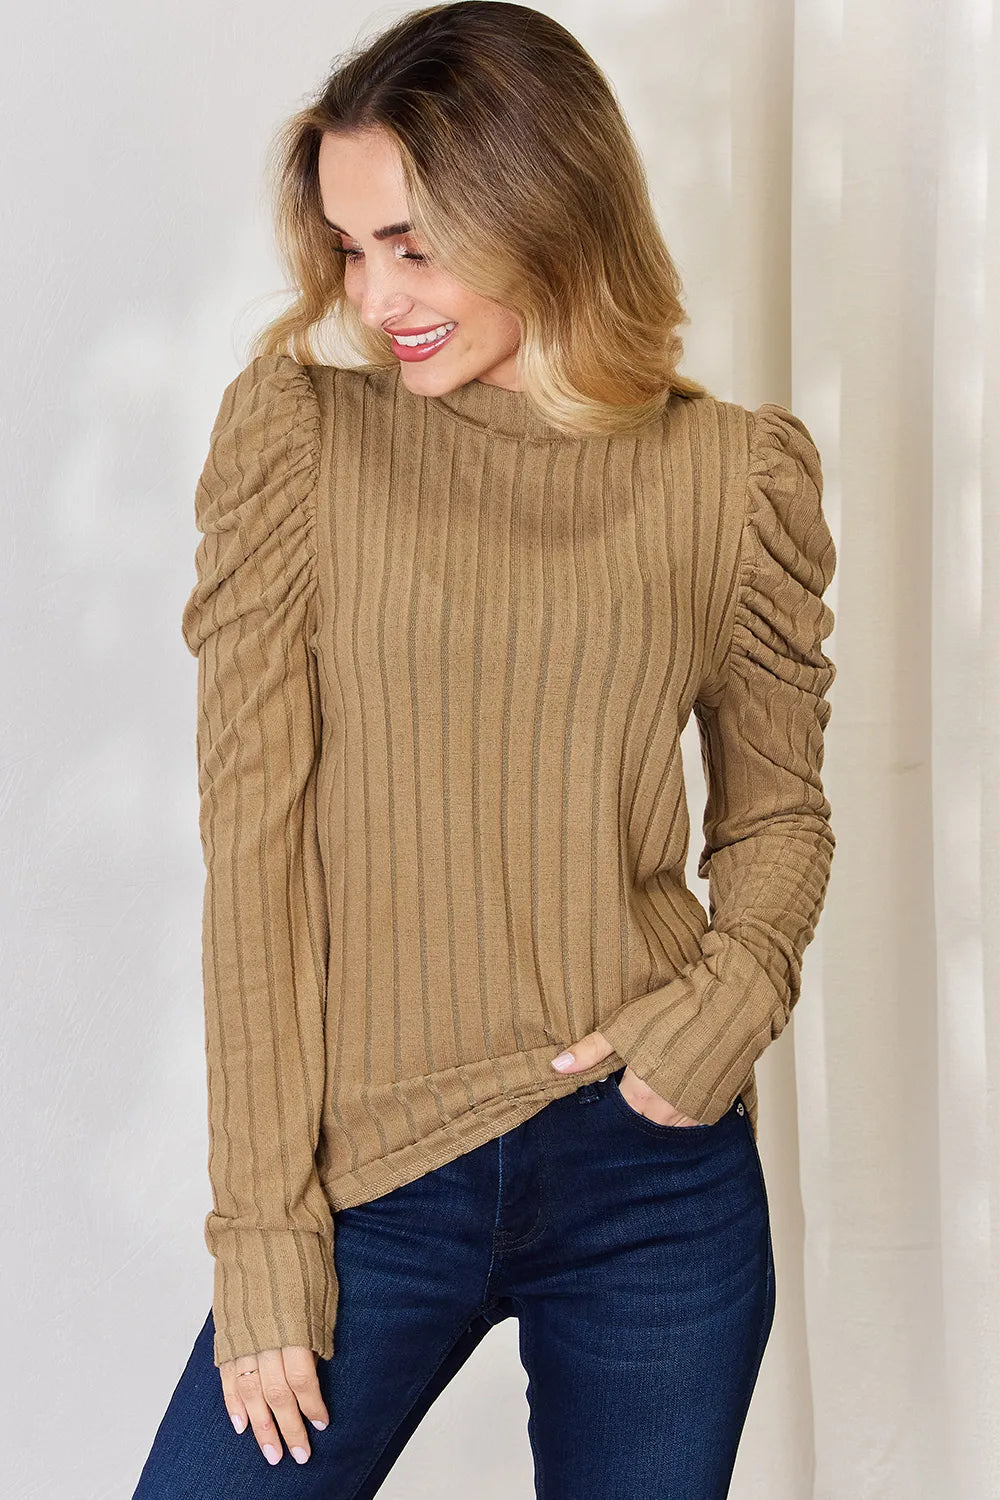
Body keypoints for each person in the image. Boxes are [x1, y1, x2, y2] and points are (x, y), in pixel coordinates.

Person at [132, 3, 837, 1496]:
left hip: (652, 1182)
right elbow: (253, 854)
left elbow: (777, 817)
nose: (374, 295)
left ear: (548, 211)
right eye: (349, 248)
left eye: (415, 244)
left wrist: (726, 1005)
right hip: (374, 1182)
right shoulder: (301, 443)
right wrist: (262, 1232)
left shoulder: (734, 478)